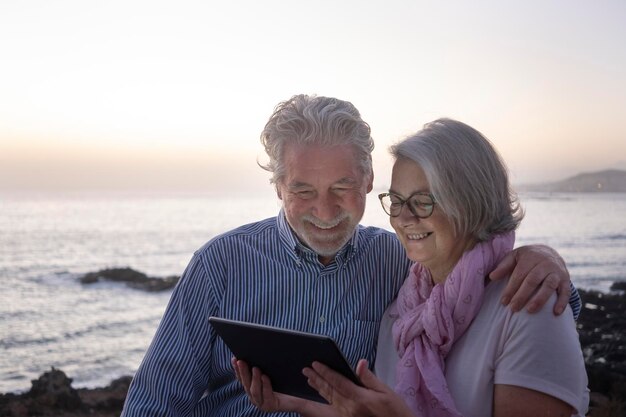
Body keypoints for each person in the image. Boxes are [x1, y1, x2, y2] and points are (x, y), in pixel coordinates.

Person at [122, 96, 581, 417]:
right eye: (303, 190)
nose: (325, 211)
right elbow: (155, 402)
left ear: (367, 180)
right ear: (278, 186)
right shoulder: (220, 264)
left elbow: (477, 279)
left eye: (342, 187)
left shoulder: (398, 260)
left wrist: (544, 260)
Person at [237, 118, 588, 416]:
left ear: (471, 200)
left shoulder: (526, 306)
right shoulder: (401, 313)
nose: (404, 218)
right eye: (397, 200)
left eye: (423, 200)